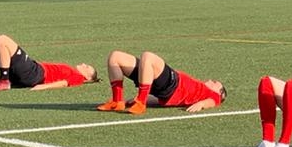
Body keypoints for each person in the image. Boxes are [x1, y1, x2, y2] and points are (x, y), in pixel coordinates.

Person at [96, 50, 226, 115]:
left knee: (148, 56)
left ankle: (141, 102)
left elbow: (213, 101)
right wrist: (133, 101)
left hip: (173, 84)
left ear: (218, 92)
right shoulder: (198, 89)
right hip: (160, 87)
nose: (211, 80)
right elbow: (159, 99)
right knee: (115, 57)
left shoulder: (213, 95)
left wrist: (202, 104)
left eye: (215, 82)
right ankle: (117, 101)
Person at [0, 33, 96, 91]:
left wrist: (43, 86)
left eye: (87, 67)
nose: (84, 64)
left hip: (34, 74)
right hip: (31, 70)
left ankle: (4, 81)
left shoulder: (78, 77)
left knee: (3, 39)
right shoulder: (73, 71)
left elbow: (63, 83)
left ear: (88, 77)